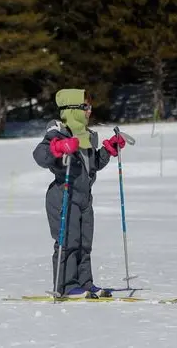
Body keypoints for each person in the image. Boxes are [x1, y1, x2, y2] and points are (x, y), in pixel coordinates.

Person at [32, 89, 126, 298]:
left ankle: (85, 282)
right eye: (85, 107)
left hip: (84, 196)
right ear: (72, 109)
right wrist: (58, 147)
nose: (89, 111)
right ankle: (66, 285)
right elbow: (40, 155)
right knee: (69, 240)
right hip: (64, 194)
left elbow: (91, 166)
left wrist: (108, 151)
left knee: (84, 242)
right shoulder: (59, 133)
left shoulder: (86, 136)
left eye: (90, 107)